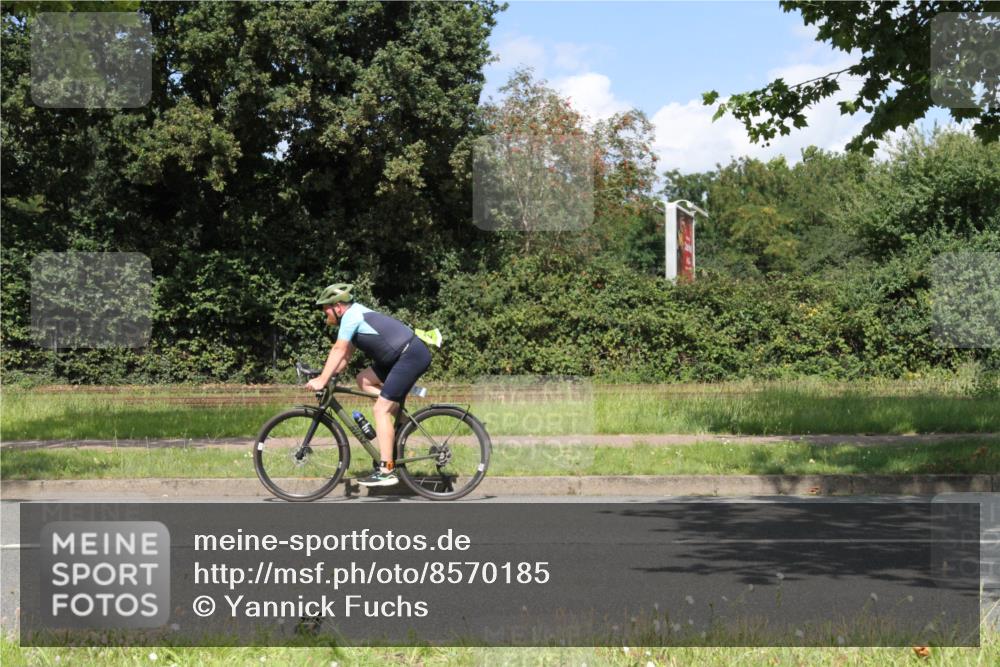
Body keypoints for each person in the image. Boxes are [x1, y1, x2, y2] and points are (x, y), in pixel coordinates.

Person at [306, 283, 432, 487]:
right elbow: (345, 355)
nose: (324, 313)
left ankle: (386, 470)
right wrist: (330, 376)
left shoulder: (351, 316)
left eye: (325, 309)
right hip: (398, 356)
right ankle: (400, 414)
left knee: (380, 409)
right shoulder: (355, 314)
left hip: (409, 356)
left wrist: (322, 380)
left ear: (338, 307)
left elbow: (338, 349)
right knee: (363, 380)